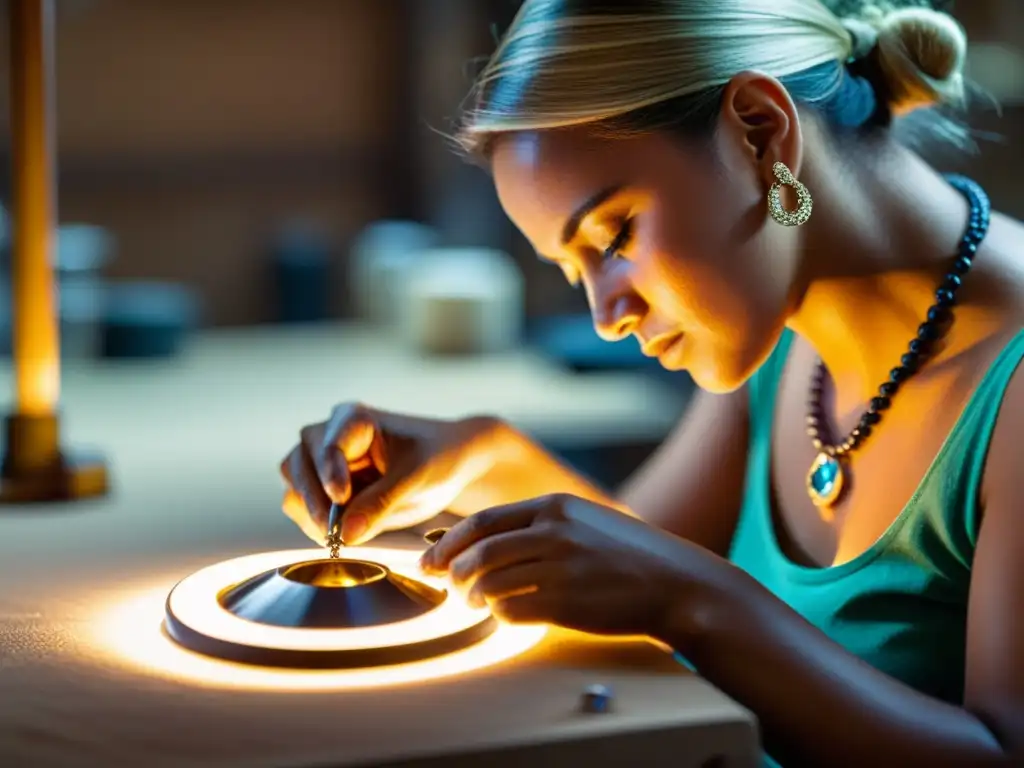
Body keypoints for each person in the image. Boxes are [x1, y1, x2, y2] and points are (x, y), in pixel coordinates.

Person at [280, 1, 1024, 765]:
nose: (607, 314)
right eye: (575, 271)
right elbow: (628, 565)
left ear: (762, 133)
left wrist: (697, 605)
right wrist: (482, 459)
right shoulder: (772, 328)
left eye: (615, 237)